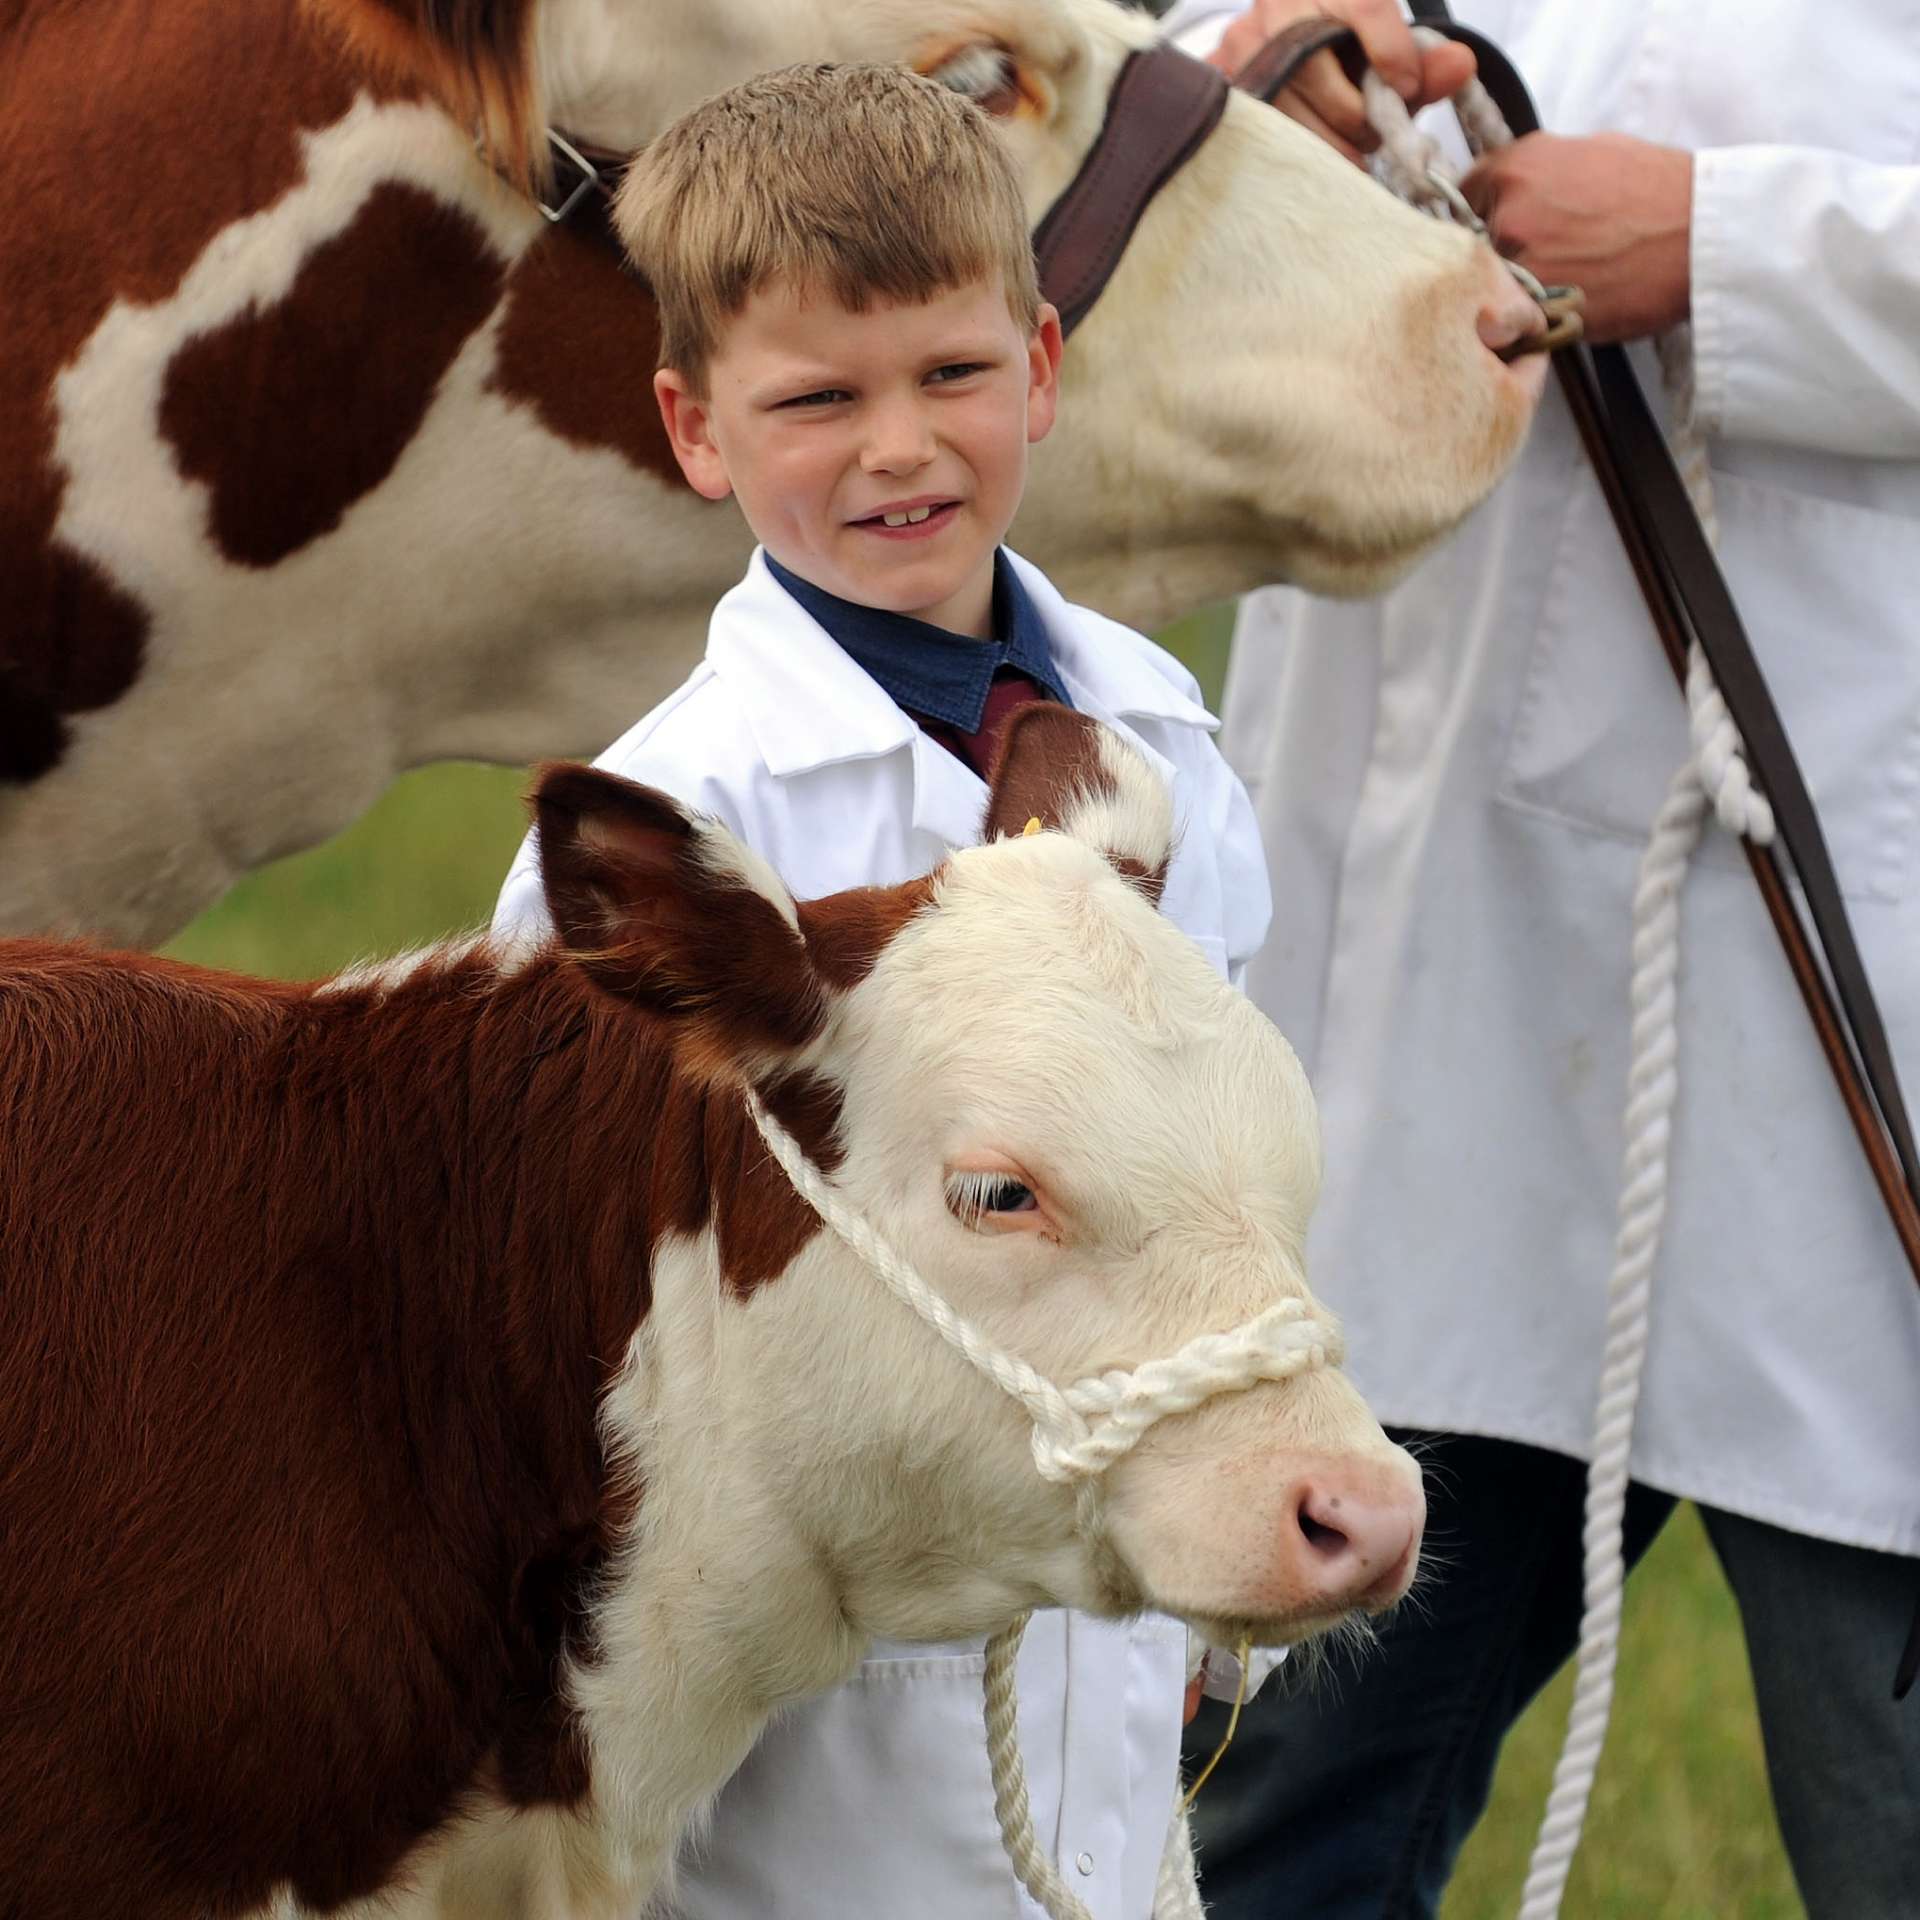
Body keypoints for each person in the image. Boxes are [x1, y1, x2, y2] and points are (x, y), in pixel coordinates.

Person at [491, 61, 1276, 1919]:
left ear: (1044, 368)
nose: (898, 447)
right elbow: (547, 1306)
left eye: (951, 376)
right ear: (696, 428)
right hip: (805, 1709)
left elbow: (1233, 1166)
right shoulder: (678, 821)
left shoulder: (1164, 734)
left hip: (1113, 1622)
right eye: (816, 400)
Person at [1158, 0, 1920, 1914]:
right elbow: (1122, 71)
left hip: (1858, 983)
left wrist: (1730, 245)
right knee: (1263, 1832)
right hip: (1428, 1016)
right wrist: (1268, 95)